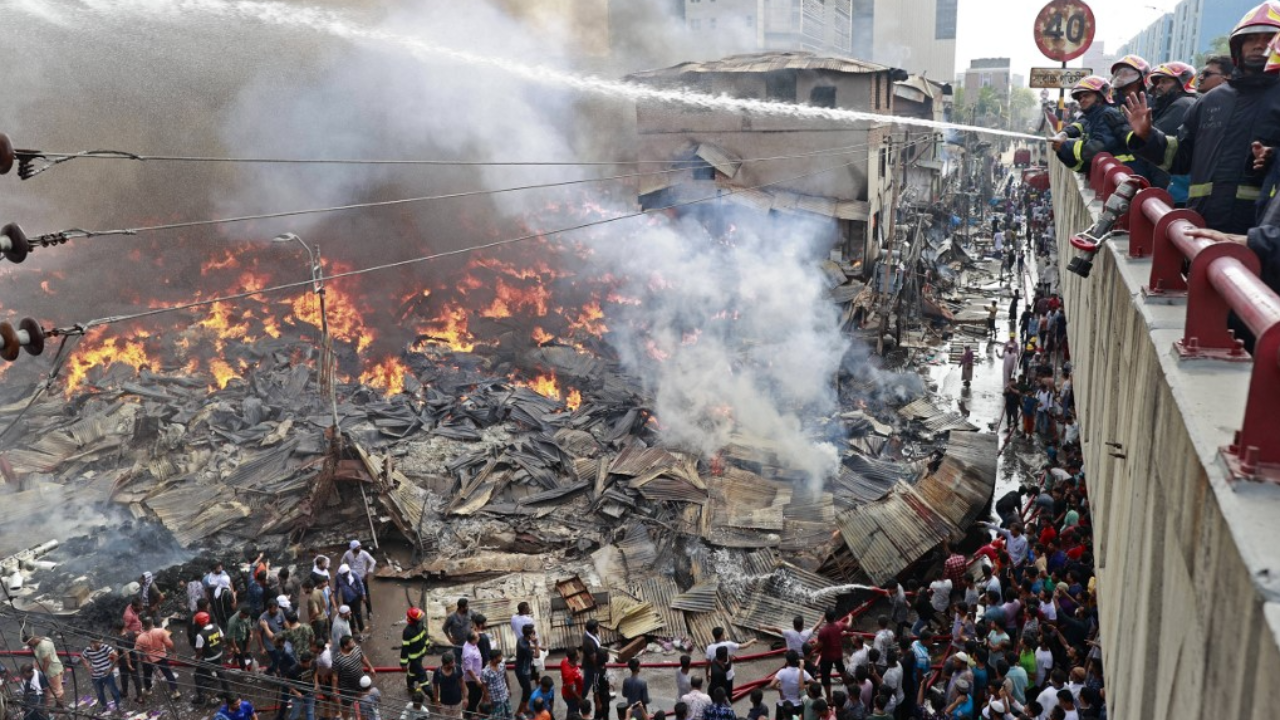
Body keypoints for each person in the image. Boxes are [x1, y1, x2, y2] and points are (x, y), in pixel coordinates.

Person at [1126, 1, 1280, 234]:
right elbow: (1180, 158)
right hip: (1200, 226)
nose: (1259, 44)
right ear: (1238, 45)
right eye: (1251, 38)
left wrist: (1273, 158)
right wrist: (1148, 137)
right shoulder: (1211, 101)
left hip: (1258, 234)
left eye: (1269, 38)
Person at [1052, 76, 1133, 174]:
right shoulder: (1091, 118)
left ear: (1100, 96)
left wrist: (1065, 146)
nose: (1082, 100)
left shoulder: (1107, 114)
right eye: (1079, 98)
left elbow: (1096, 149)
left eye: (1086, 95)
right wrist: (1061, 152)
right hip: (1107, 177)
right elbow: (1081, 167)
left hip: (1123, 175)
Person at [1145, 61, 1199, 204]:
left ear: (1182, 83)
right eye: (1158, 82)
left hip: (1173, 185)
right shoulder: (1172, 105)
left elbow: (1153, 140)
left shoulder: (1183, 104)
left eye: (1165, 81)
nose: (1159, 86)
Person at [133, 618, 180, 700]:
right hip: (161, 656)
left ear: (143, 625)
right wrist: (174, 652)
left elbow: (138, 651)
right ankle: (175, 691)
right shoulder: (161, 631)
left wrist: (140, 660)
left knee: (147, 675)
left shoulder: (140, 638)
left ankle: (148, 690)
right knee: (168, 673)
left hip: (148, 659)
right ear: (152, 623)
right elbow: (169, 643)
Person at [331, 635, 375, 720]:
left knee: (364, 702)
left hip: (360, 683)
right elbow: (334, 677)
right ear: (345, 646)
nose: (354, 643)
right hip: (346, 687)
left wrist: (371, 668)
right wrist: (334, 691)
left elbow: (363, 658)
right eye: (351, 642)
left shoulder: (357, 649)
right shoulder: (337, 659)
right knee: (346, 707)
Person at [193, 610, 232, 705]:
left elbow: (200, 651)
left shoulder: (200, 635)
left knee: (197, 675)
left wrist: (196, 658)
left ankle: (201, 697)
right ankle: (228, 691)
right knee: (220, 672)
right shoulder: (216, 626)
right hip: (218, 654)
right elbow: (222, 639)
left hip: (208, 658)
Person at [705, 626, 755, 697]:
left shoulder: (709, 648)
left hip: (716, 675)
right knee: (728, 693)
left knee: (717, 692)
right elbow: (744, 646)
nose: (725, 635)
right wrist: (752, 640)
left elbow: (707, 663)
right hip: (728, 676)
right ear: (721, 635)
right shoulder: (728, 644)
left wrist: (707, 674)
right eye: (724, 634)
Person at [82, 637, 122, 714]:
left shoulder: (105, 647)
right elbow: (83, 657)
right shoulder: (88, 649)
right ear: (92, 643)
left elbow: (116, 656)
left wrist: (111, 668)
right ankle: (104, 706)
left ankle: (118, 705)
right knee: (99, 693)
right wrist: (88, 667)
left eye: (101, 641)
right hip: (95, 676)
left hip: (107, 675)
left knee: (114, 690)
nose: (101, 644)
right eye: (98, 642)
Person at [341, 541, 377, 621]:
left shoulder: (364, 553)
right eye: (357, 547)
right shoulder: (347, 554)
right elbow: (342, 561)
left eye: (360, 546)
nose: (359, 548)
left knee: (366, 594)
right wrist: (346, 570)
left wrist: (368, 572)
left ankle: (369, 612)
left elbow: (373, 562)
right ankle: (354, 611)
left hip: (362, 578)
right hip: (352, 579)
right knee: (354, 595)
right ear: (353, 548)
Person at [769, 651, 812, 717]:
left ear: (787, 661)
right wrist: (805, 687)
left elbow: (771, 685)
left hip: (783, 704)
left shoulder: (782, 672)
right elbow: (814, 683)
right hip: (797, 705)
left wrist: (780, 689)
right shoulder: (802, 672)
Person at [401, 607, 429, 695]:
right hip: (414, 658)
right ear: (414, 620)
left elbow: (425, 636)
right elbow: (404, 648)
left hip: (421, 655)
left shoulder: (420, 624)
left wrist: (427, 645)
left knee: (412, 671)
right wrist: (403, 663)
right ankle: (431, 695)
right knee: (423, 678)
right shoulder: (407, 632)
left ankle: (410, 685)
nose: (421, 619)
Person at [481, 648, 513, 720]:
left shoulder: (502, 665)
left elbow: (505, 676)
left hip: (505, 695)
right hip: (495, 699)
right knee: (498, 717)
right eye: (500, 656)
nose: (502, 657)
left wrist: (509, 689)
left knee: (509, 715)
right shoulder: (485, 672)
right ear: (495, 659)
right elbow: (484, 686)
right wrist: (487, 698)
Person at [334, 565, 367, 636]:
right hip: (346, 598)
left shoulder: (354, 574)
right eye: (343, 575)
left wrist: (363, 595)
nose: (344, 576)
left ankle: (362, 629)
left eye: (345, 574)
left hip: (355, 597)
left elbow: (360, 584)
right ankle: (353, 628)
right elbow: (336, 587)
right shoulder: (338, 576)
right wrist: (336, 597)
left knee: (358, 613)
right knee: (348, 614)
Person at [261, 596, 289, 676]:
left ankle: (276, 668)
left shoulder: (280, 611)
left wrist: (289, 631)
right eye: (274, 609)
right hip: (270, 644)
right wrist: (262, 647)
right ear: (268, 609)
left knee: (279, 657)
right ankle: (270, 671)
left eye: (277, 608)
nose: (276, 610)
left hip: (279, 641)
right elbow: (259, 633)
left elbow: (285, 622)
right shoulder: (263, 618)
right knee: (276, 659)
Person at [432, 653, 465, 719]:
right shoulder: (438, 672)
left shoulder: (457, 668)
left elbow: (462, 682)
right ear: (446, 664)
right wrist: (436, 701)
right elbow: (435, 687)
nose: (454, 663)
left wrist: (465, 697)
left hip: (457, 702)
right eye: (452, 662)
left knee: (457, 717)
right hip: (444, 703)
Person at [442, 598, 474, 664]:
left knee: (469, 662)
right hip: (458, 645)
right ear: (461, 608)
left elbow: (476, 619)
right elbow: (444, 628)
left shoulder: (470, 612)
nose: (468, 607)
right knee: (458, 663)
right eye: (466, 606)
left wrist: (474, 629)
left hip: (469, 644)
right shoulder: (451, 617)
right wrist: (450, 639)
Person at [463, 631, 485, 717]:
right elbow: (468, 669)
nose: (479, 637)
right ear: (473, 640)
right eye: (477, 636)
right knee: (475, 695)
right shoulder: (468, 653)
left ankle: (471, 710)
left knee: (477, 694)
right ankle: (469, 713)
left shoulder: (471, 644)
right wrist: (477, 680)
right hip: (472, 679)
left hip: (477, 674)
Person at [560, 649, 584, 715]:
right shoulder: (569, 673)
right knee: (573, 712)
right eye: (578, 653)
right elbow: (571, 689)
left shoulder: (565, 661)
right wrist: (579, 699)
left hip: (572, 693)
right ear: (575, 657)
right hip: (571, 697)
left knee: (571, 710)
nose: (579, 655)